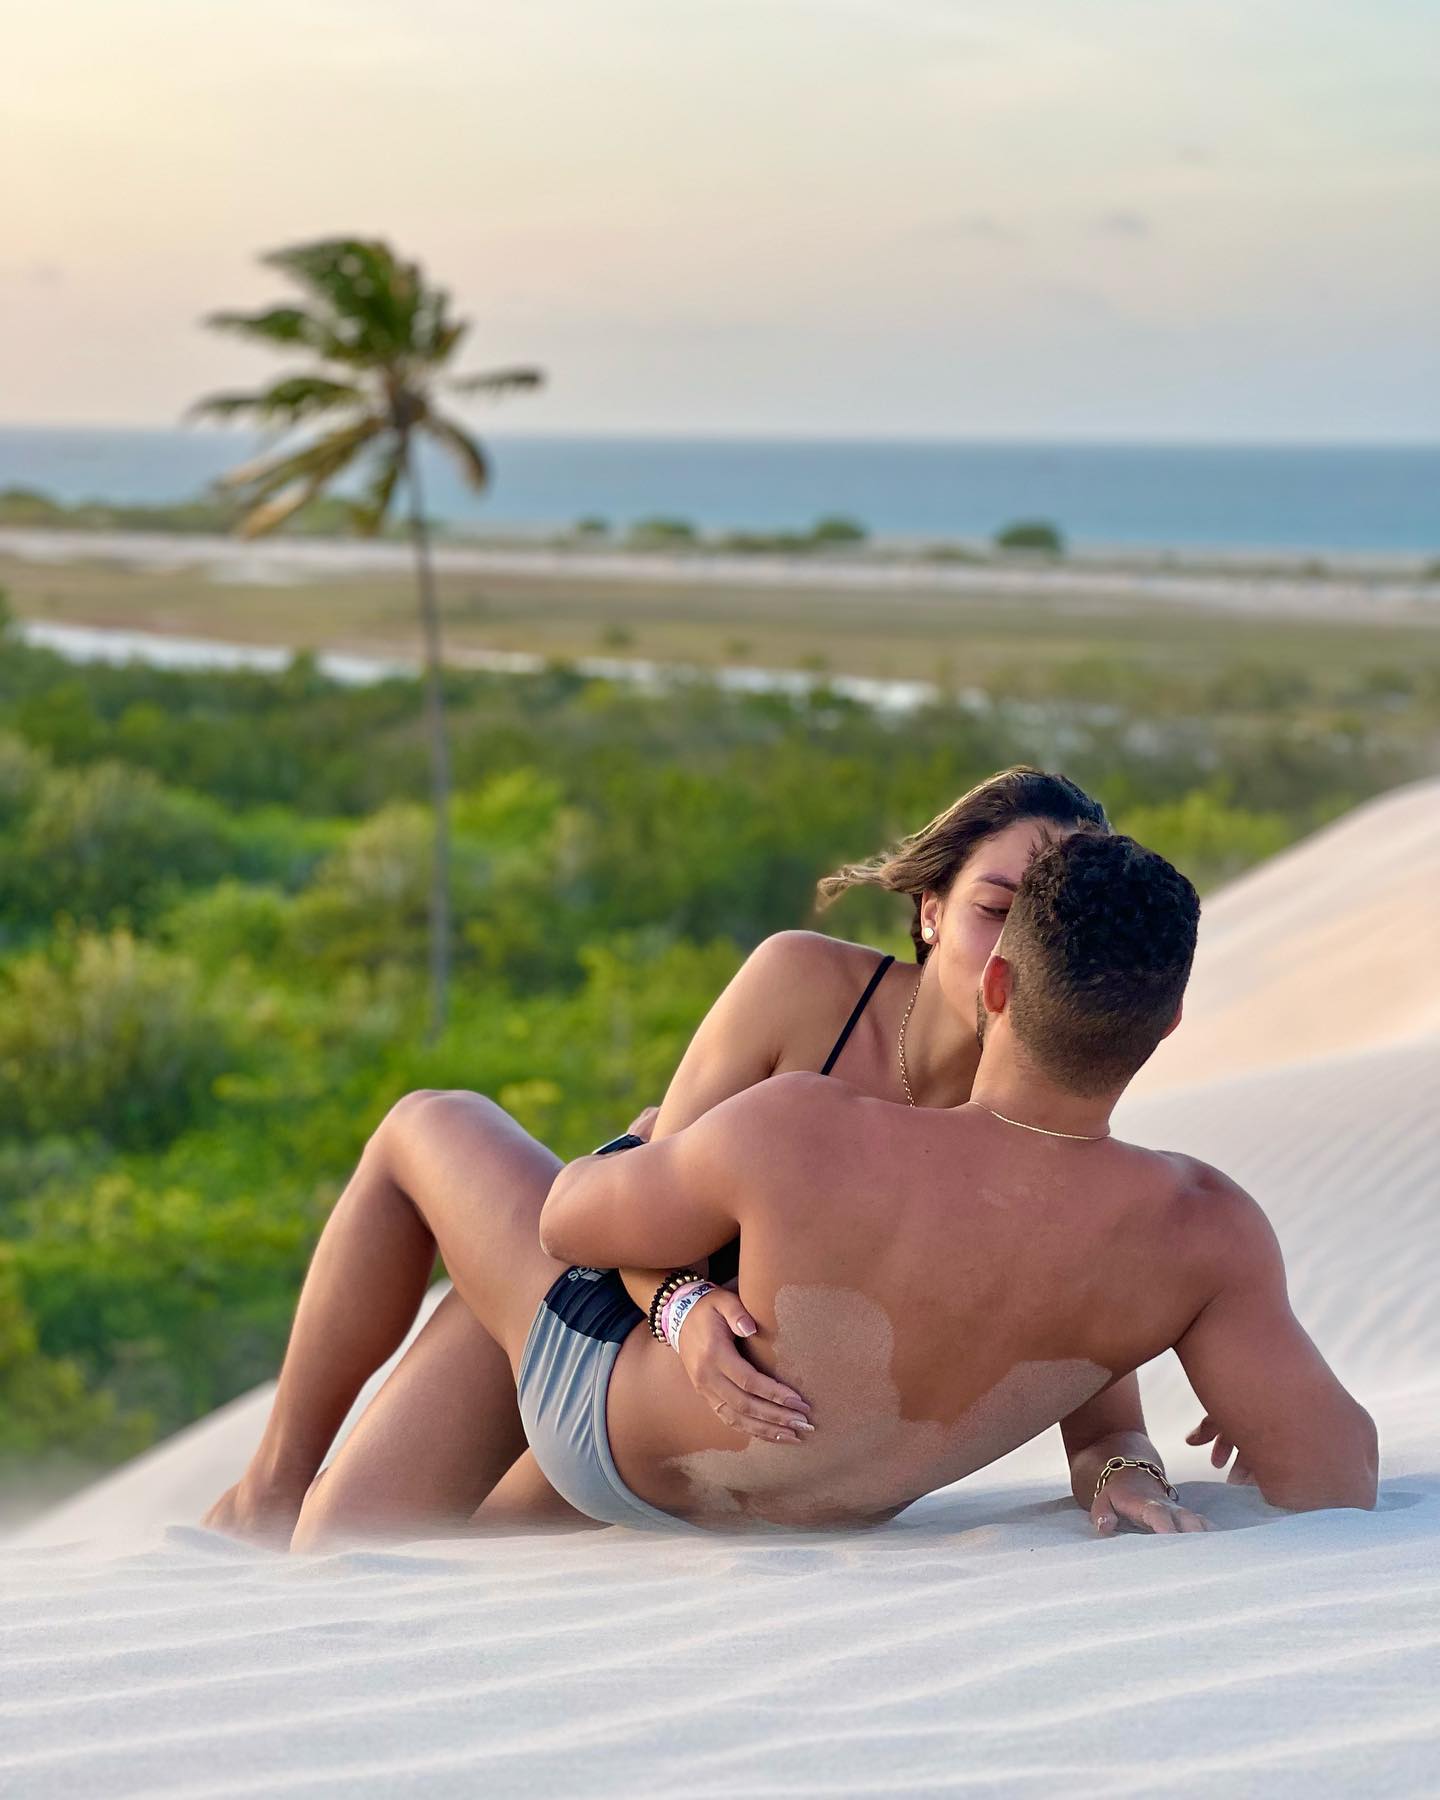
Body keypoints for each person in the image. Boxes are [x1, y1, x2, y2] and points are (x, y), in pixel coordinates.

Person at [204, 771, 1181, 1546]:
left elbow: (1101, 1421)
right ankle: (268, 1485)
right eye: (992, 906)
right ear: (929, 910)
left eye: (1048, 921)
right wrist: (680, 1307)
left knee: (449, 1546)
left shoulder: (1049, 1133)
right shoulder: (806, 987)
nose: (1015, 943)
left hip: (680, 1427)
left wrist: (1127, 1480)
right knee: (339, 1540)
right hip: (607, 1288)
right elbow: (631, 1196)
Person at [379, 829, 1378, 1537]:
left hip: (608, 1441)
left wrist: (660, 1165)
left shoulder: (805, 1125)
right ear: (1166, 1024)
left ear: (996, 988)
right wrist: (1172, 1449)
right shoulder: (1201, 1236)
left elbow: (567, 1222)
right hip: (815, 1514)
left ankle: (275, 1497)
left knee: (434, 1125)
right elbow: (1336, 1476)